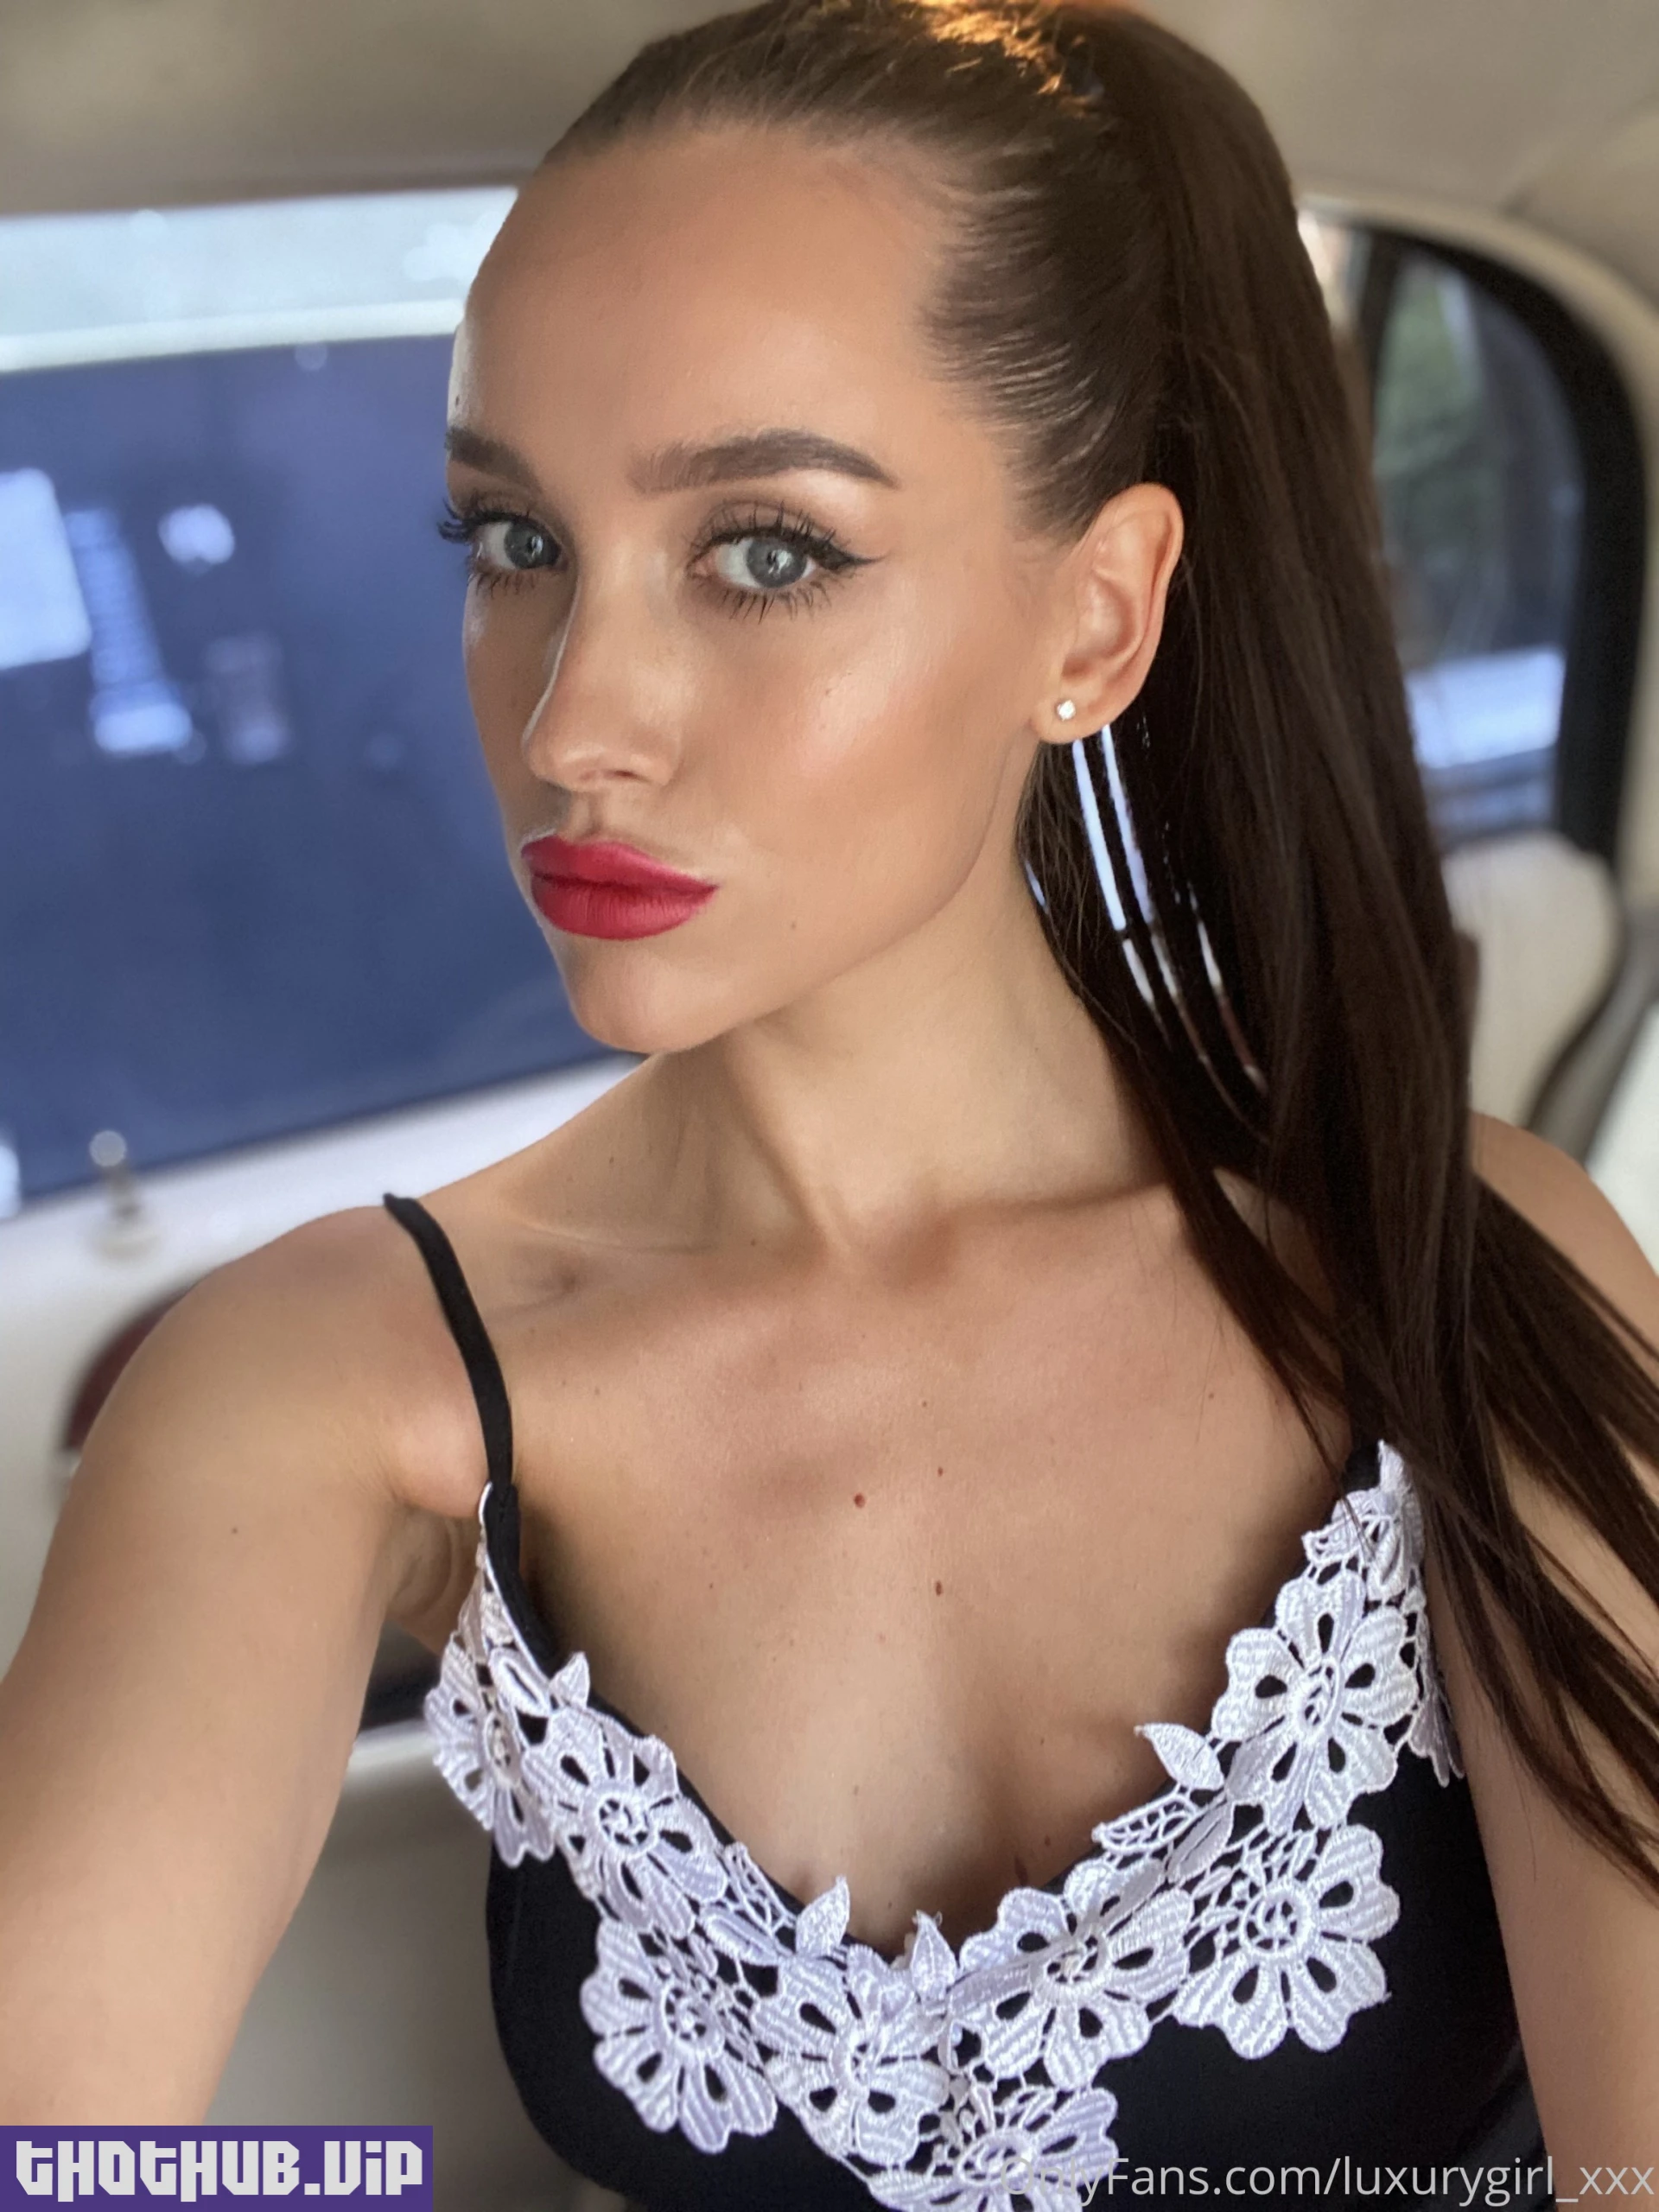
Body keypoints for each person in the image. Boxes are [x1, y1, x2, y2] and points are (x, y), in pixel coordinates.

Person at [2, 0, 1657, 2202]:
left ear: (1096, 617)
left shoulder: (1463, 1276)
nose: (574, 721)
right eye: (512, 537)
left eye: (767, 548)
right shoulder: (323, 1386)